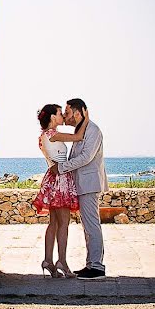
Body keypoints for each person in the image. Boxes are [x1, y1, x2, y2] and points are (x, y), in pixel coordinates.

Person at [49, 98, 109, 280]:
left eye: (67, 113)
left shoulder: (93, 131)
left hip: (89, 185)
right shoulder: (81, 132)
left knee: (92, 225)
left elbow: (86, 157)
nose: (65, 117)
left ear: (78, 112)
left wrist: (61, 168)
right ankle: (91, 264)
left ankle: (97, 267)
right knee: (87, 226)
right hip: (82, 185)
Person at [32, 103, 82, 278]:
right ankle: (62, 261)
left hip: (53, 179)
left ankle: (48, 260)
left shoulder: (43, 136)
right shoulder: (53, 134)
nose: (62, 116)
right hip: (60, 179)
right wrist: (80, 118)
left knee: (53, 223)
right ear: (53, 117)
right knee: (63, 223)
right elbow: (78, 136)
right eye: (61, 113)